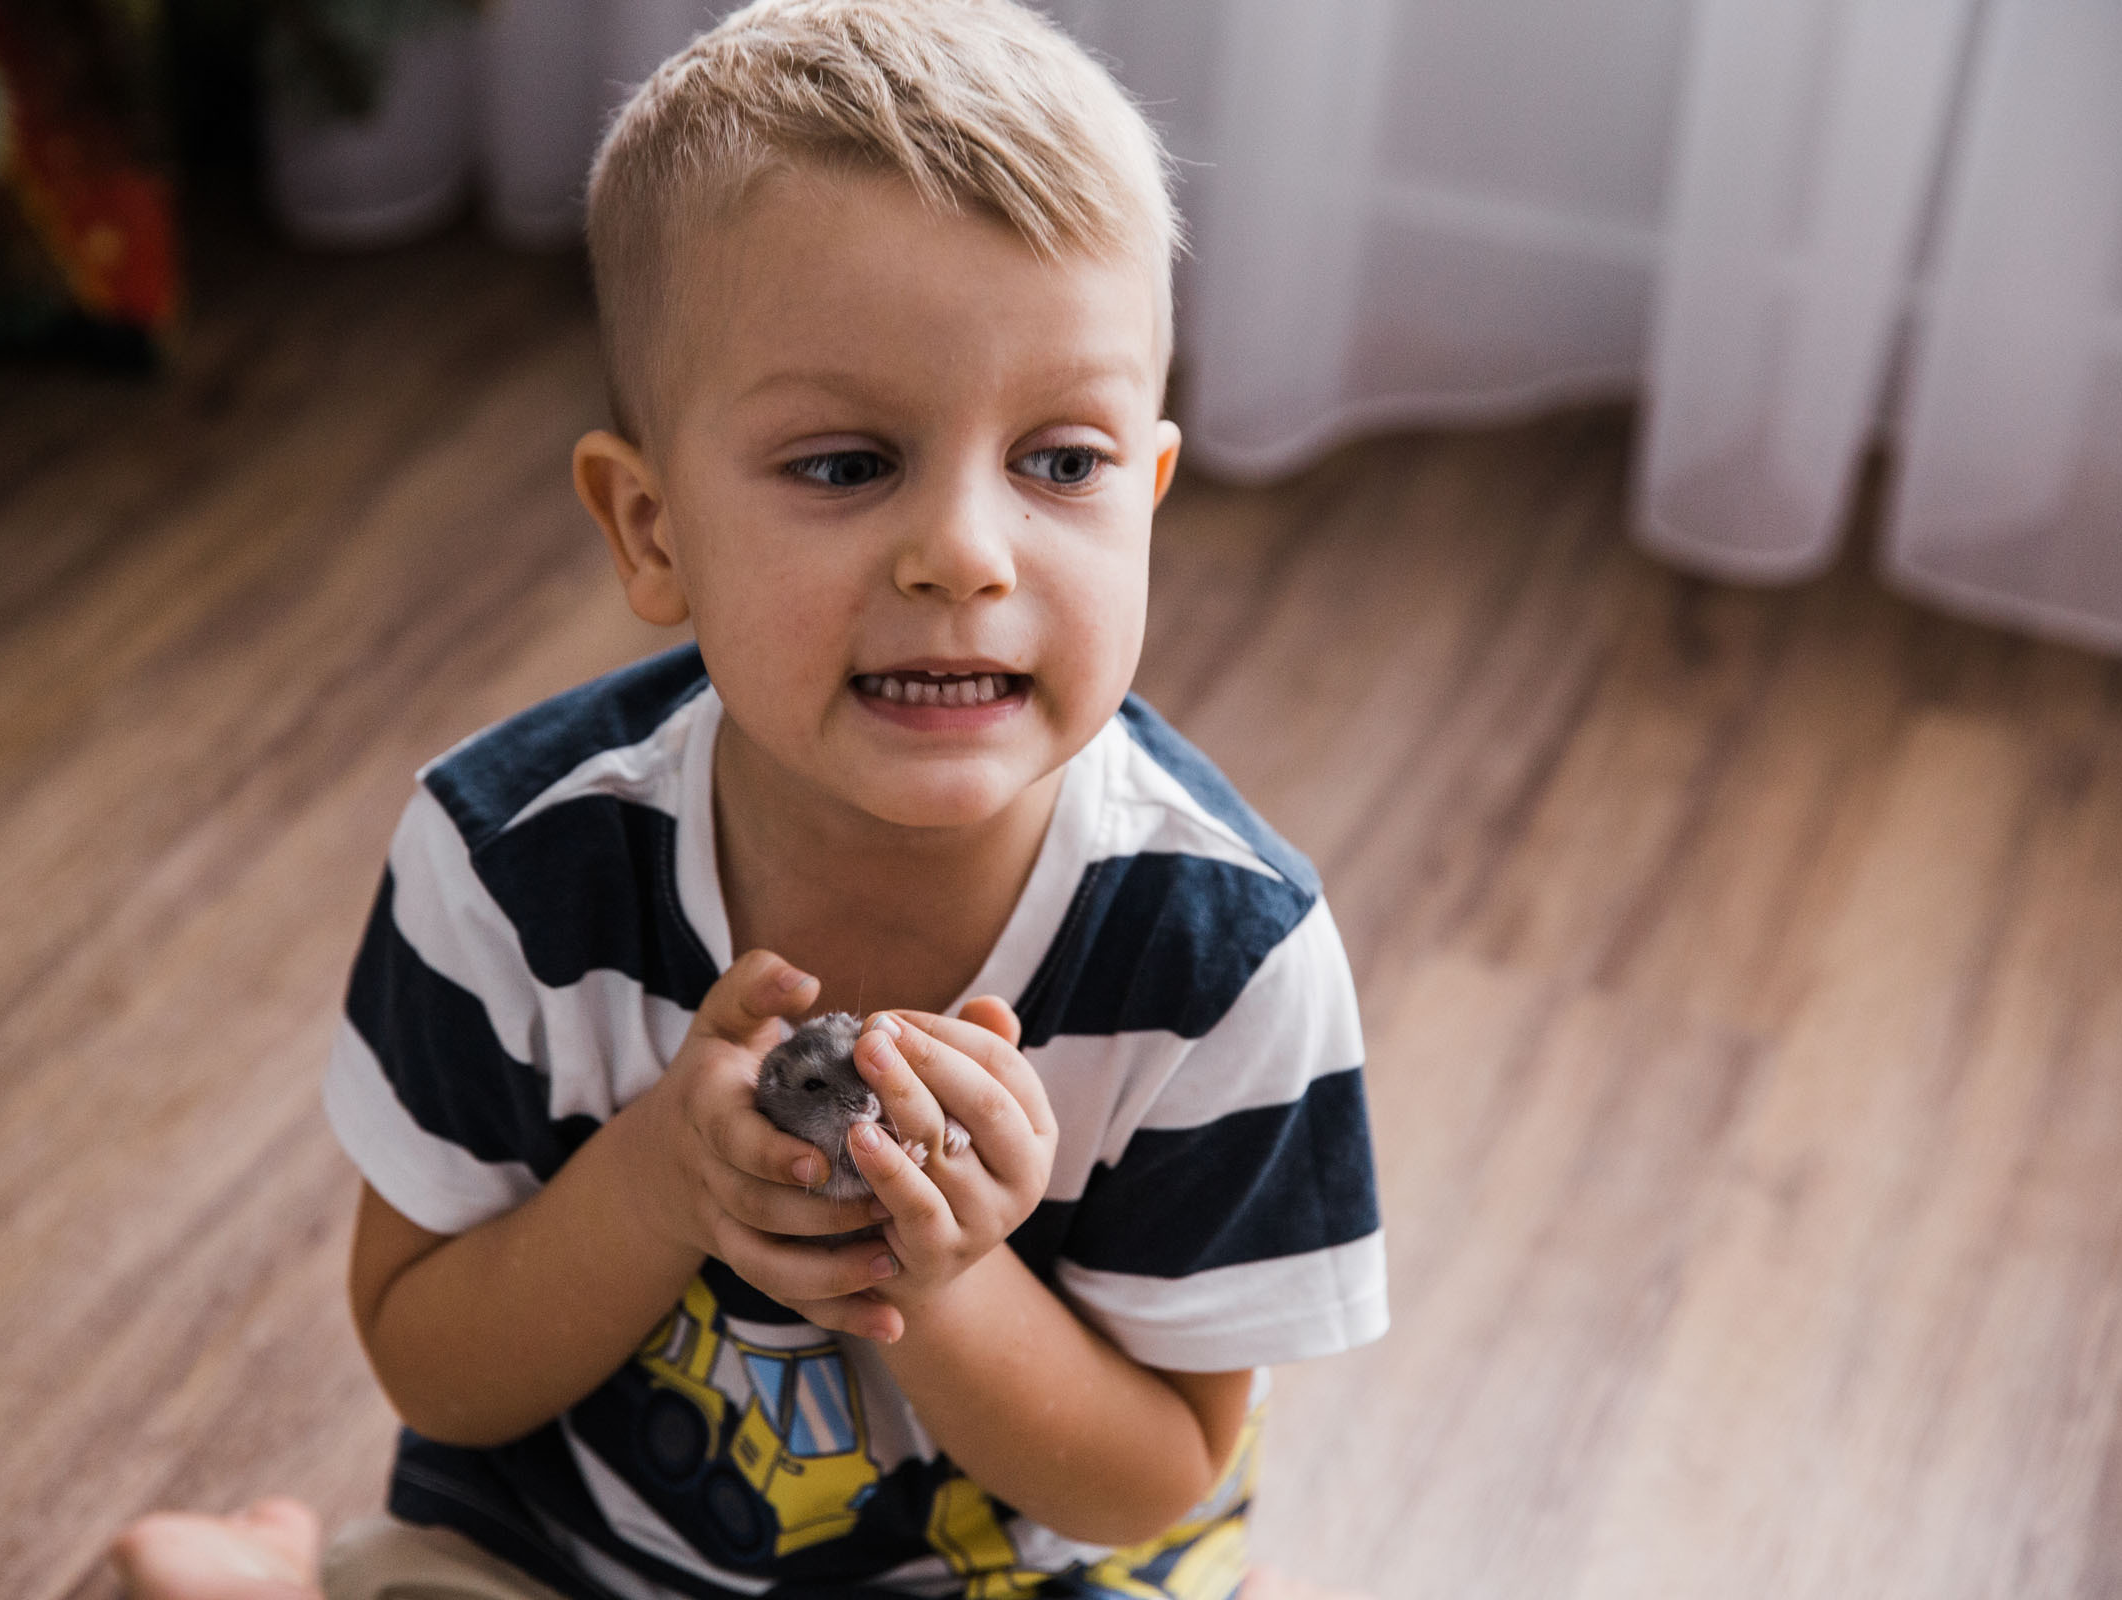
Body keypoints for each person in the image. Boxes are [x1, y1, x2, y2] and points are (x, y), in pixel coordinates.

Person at [114, 2, 1386, 1596]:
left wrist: (951, 1269)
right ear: (649, 528)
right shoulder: (511, 866)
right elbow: (432, 1365)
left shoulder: (1222, 958)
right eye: (848, 465)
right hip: (589, 1556)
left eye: (1063, 462)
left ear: (1149, 493)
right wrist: (663, 1180)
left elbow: (1152, 1478)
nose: (968, 555)